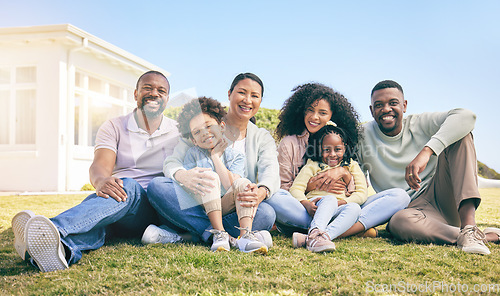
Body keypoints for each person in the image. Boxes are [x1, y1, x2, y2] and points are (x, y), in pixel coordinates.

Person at [11, 71, 181, 272]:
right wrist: (101, 181)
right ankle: (62, 250)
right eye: (147, 88)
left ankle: (53, 228)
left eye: (161, 91)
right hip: (117, 203)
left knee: (130, 187)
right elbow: (100, 165)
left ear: (167, 100)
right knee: (101, 221)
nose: (154, 93)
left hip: (152, 208)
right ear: (135, 94)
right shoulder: (114, 126)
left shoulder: (178, 132)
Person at [357, 79, 500, 254]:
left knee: (461, 135)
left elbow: (467, 116)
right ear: (371, 110)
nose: (386, 109)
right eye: (379, 105)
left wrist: (427, 151)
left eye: (393, 103)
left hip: (441, 196)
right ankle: (475, 236)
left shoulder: (420, 123)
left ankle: (469, 227)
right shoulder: (361, 136)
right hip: (411, 213)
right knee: (397, 223)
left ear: (404, 105)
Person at [146, 73, 277, 252]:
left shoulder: (261, 137)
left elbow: (270, 172)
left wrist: (260, 193)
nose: (247, 100)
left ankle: (191, 235)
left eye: (254, 95)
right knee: (157, 186)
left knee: (267, 214)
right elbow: (171, 162)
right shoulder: (199, 121)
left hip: (232, 206)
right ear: (229, 94)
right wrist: (183, 175)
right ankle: (220, 235)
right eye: (242, 93)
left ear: (260, 100)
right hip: (196, 203)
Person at [266, 82, 410, 237]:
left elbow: (360, 190)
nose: (315, 117)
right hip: (308, 209)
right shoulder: (290, 143)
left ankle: (322, 232)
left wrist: (344, 174)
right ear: (302, 111)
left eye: (322, 112)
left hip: (345, 206)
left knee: (400, 196)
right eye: (310, 110)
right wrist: (309, 188)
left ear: (331, 115)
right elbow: (284, 188)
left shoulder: (342, 140)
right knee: (274, 198)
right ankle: (347, 229)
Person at [166, 96, 267, 253]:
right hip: (202, 204)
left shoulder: (236, 156)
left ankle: (245, 236)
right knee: (209, 177)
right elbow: (190, 187)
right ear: (193, 140)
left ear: (221, 126)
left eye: (208, 126)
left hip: (226, 205)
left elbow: (230, 185)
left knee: (245, 185)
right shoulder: (193, 154)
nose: (205, 133)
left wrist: (215, 157)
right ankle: (220, 234)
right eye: (197, 132)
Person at [289, 123, 367, 252]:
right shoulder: (312, 166)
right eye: (326, 150)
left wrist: (341, 202)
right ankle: (317, 234)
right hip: (316, 208)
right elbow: (296, 189)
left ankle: (315, 237)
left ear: (345, 148)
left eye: (337, 149)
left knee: (355, 208)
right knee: (329, 199)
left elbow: (361, 194)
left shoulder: (351, 165)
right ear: (319, 149)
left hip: (338, 210)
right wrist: (307, 204)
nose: (332, 154)